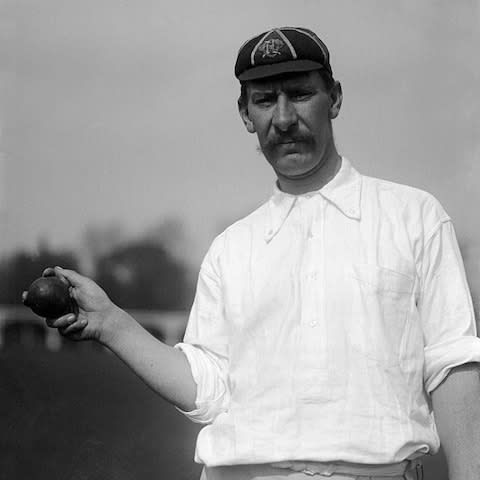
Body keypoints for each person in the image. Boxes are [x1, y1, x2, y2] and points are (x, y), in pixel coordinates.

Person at [37, 27, 480, 480]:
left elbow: (452, 363)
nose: (284, 118)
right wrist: (110, 322)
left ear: (336, 98)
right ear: (245, 114)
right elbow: (209, 389)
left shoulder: (415, 217)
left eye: (301, 94)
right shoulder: (231, 249)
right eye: (265, 100)